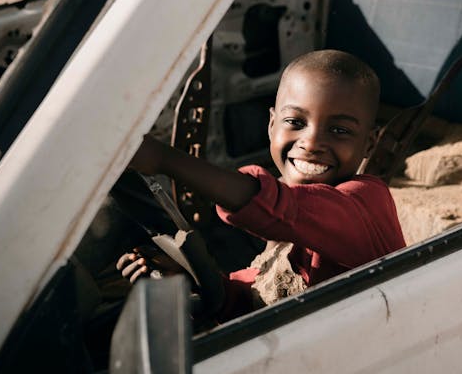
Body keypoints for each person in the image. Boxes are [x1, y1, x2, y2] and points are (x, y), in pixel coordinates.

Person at [118, 49, 406, 321]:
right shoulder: (288, 217)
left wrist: (160, 159)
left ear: (368, 143)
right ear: (271, 125)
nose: (312, 142)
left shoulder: (366, 203)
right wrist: (188, 280)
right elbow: (255, 295)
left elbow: (275, 206)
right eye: (295, 121)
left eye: (339, 130)